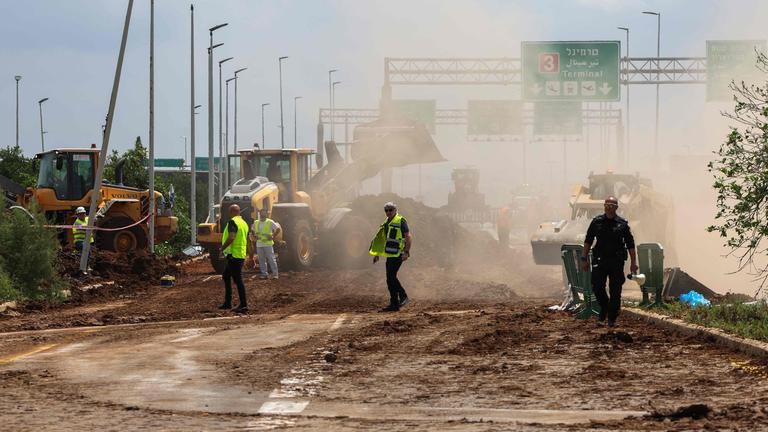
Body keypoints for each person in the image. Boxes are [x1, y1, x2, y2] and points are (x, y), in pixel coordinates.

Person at [580, 196, 638, 327]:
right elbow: (588, 241)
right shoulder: (596, 222)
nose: (609, 207)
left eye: (612, 205)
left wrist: (634, 263)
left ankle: (612, 317)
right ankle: (605, 307)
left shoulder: (622, 224)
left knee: (615, 290)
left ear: (616, 207)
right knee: (597, 286)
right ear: (604, 206)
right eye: (607, 205)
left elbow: (630, 244)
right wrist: (583, 259)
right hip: (600, 260)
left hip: (616, 262)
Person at [369, 202, 413, 312]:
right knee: (390, 279)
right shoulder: (386, 223)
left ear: (395, 210)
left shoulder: (401, 221)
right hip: (390, 254)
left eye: (390, 209)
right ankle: (394, 304)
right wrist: (377, 254)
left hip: (398, 254)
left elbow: (408, 236)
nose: (388, 212)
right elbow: (382, 240)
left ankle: (403, 297)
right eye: (386, 210)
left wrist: (406, 252)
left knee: (391, 277)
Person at [220, 204, 250, 313]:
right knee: (226, 275)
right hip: (240, 254)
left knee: (238, 280)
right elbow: (248, 239)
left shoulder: (232, 222)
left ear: (231, 212)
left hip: (234, 255)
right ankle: (228, 302)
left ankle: (244, 304)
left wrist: (222, 248)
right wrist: (250, 254)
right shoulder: (244, 223)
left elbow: (231, 237)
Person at [250, 207, 280, 280]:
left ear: (266, 213)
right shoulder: (256, 222)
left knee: (271, 259)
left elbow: (278, 229)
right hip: (259, 244)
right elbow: (252, 229)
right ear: (260, 213)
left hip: (268, 244)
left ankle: (275, 274)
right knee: (261, 260)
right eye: (262, 212)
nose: (263, 213)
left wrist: (273, 236)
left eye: (264, 212)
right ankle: (264, 274)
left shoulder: (270, 221)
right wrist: (254, 235)